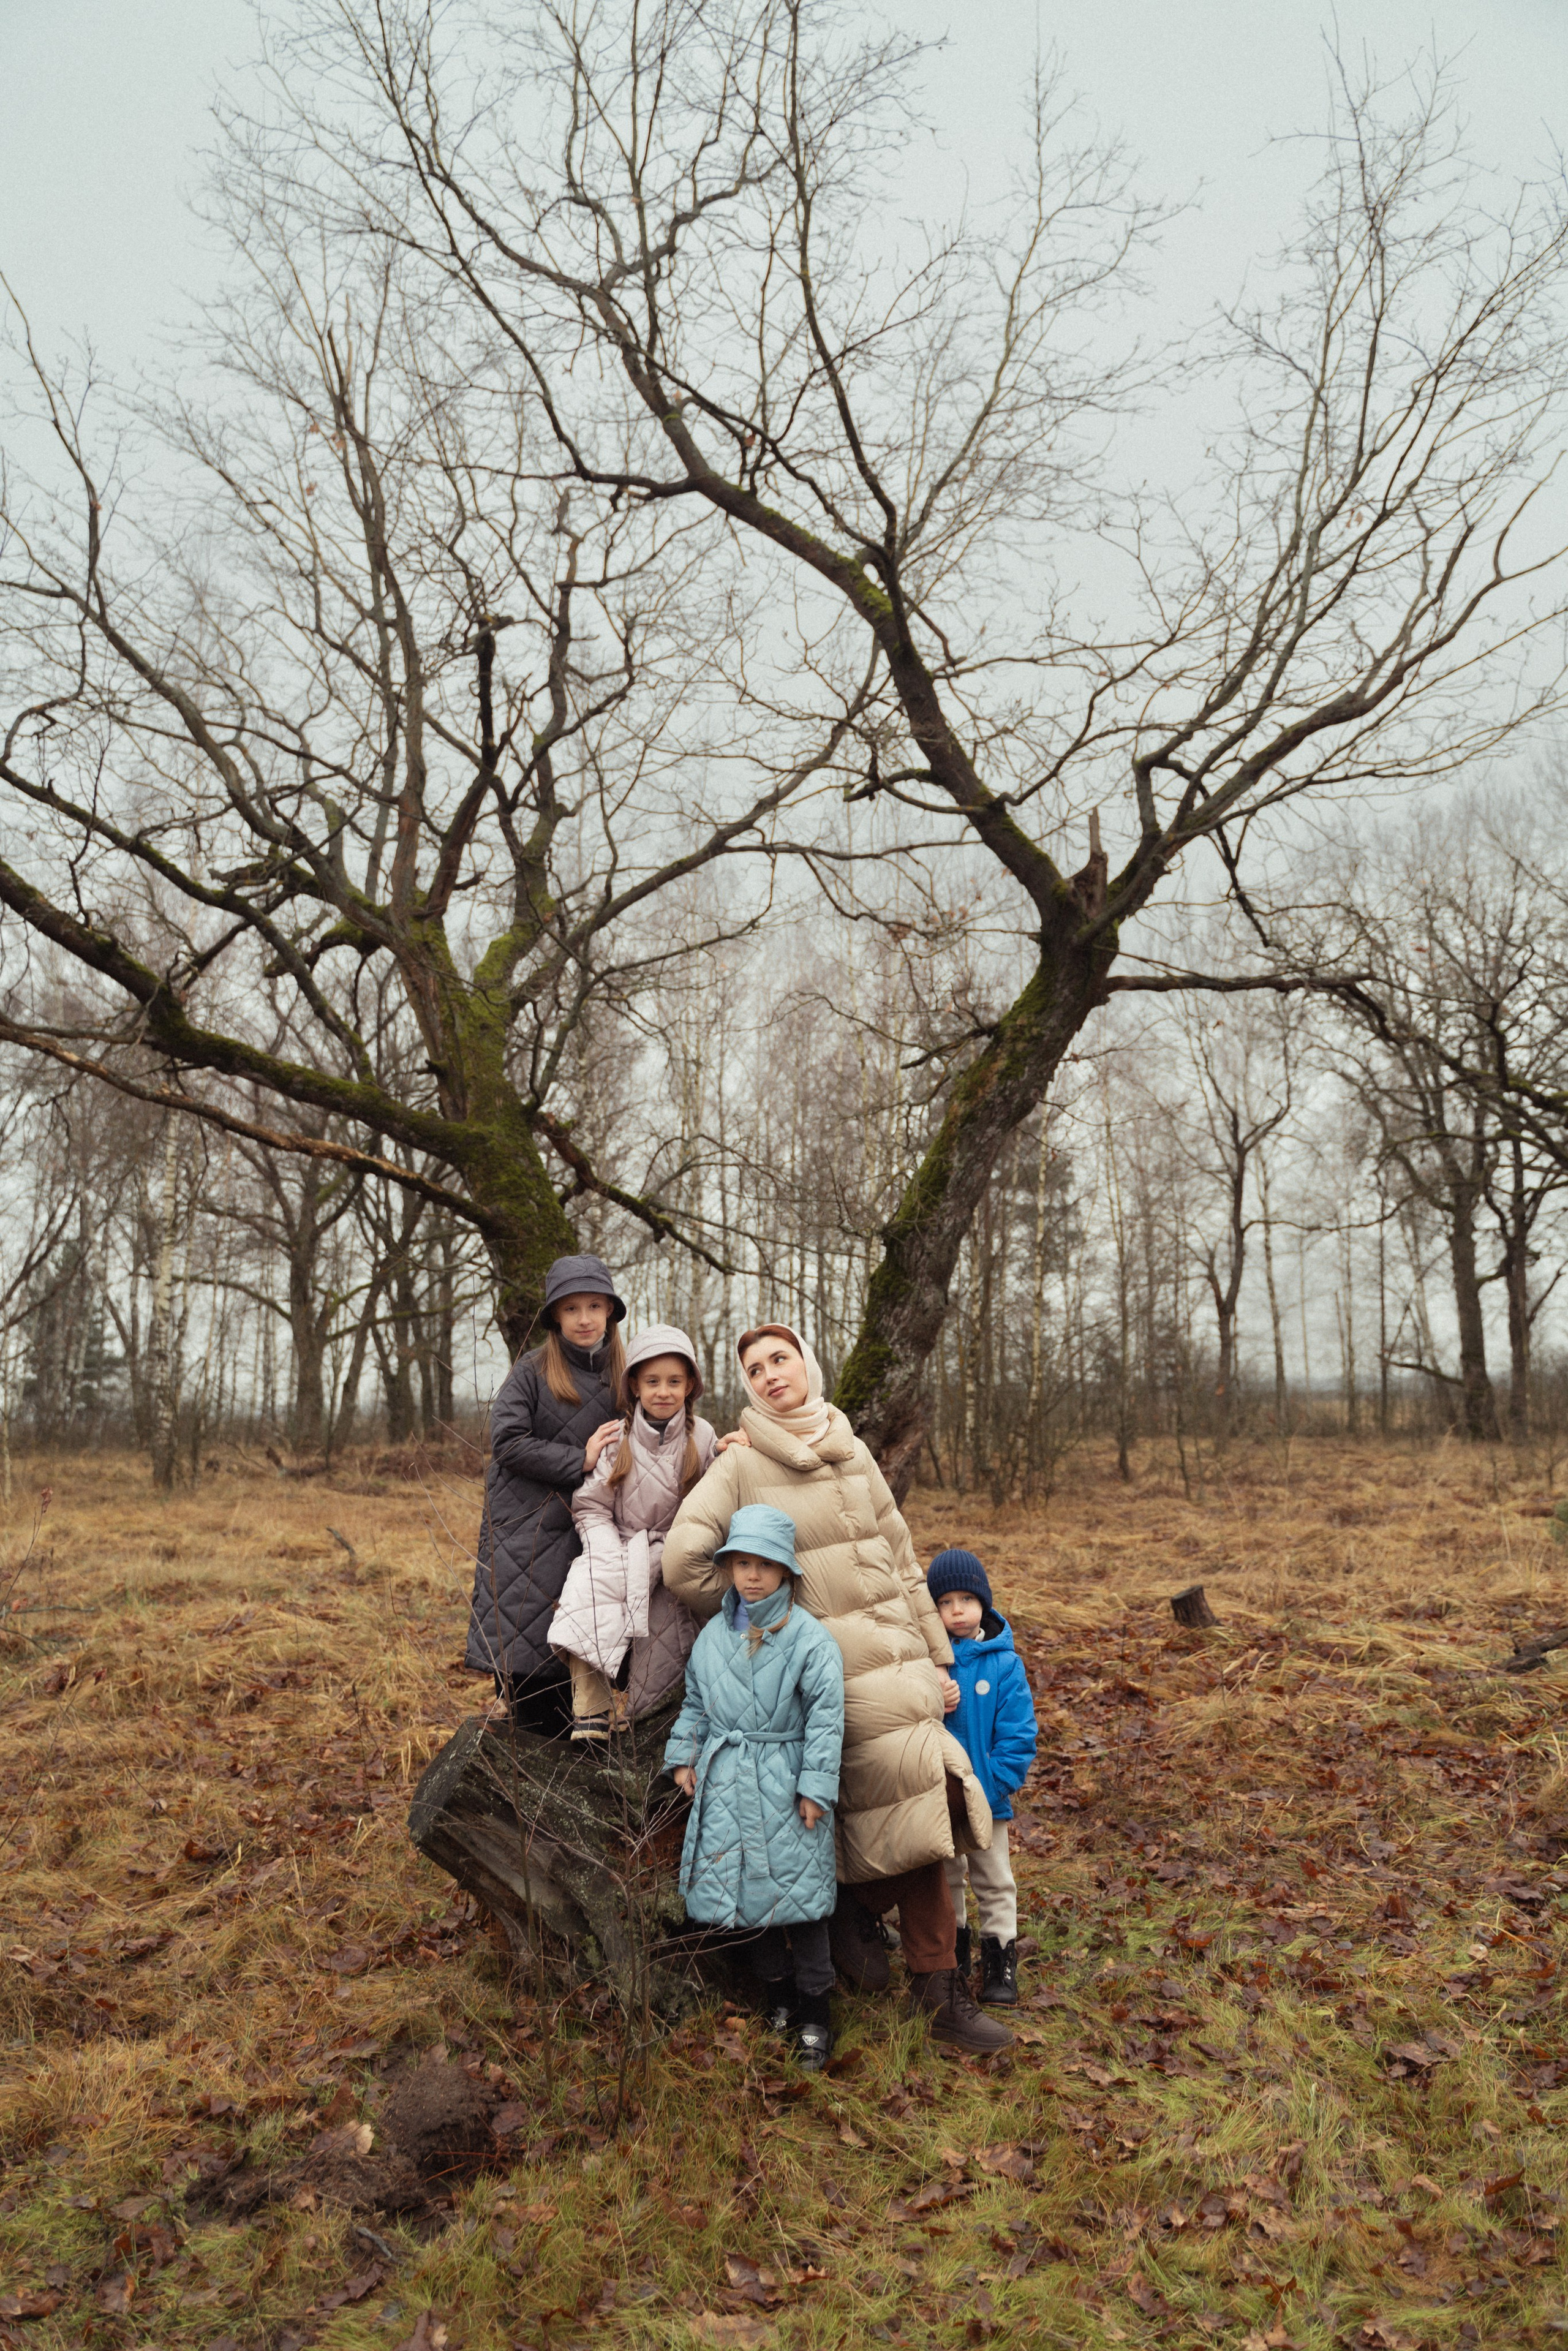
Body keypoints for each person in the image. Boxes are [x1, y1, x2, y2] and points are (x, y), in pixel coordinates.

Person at [663, 1323, 1012, 2055]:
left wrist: (938, 1653)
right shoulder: (742, 1463)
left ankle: (857, 1910)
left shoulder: (852, 1450)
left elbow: (903, 1555)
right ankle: (935, 1988)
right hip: (829, 1673)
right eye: (754, 1369)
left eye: (780, 1359)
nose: (768, 1375)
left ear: (807, 1364)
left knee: (935, 1797)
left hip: (906, 1663)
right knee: (931, 1791)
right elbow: (684, 1561)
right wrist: (764, 1630)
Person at [664, 1503, 845, 2070]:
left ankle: (817, 2011)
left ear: (786, 1572)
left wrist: (816, 1787)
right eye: (742, 1563)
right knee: (748, 1902)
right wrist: (684, 1755)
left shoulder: (810, 1640)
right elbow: (696, 1701)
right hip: (726, 1782)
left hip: (785, 1782)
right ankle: (779, 2000)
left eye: (766, 1565)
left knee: (803, 1904)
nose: (753, 1575)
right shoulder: (714, 1636)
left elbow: (826, 1716)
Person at [464, 1255, 627, 1738]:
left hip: (595, 1535)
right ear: (556, 1314)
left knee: (584, 1665)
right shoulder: (532, 1372)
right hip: (528, 1540)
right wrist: (579, 1457)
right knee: (531, 1676)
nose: (584, 1318)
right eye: (572, 1308)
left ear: (610, 1312)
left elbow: (666, 1422)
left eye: (595, 1306)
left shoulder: (627, 1371)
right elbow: (508, 1442)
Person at [552, 1325, 718, 1739]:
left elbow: (715, 1505)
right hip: (619, 1544)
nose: (663, 1392)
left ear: (690, 1386)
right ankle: (592, 1708)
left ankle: (645, 1723)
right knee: (587, 1588)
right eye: (653, 1382)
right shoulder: (616, 1439)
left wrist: (677, 1551)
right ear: (635, 1387)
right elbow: (590, 1506)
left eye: (674, 1382)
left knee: (664, 1630)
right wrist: (608, 1552)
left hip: (676, 1553)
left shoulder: (702, 1439)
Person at [926, 1547, 1038, 2007]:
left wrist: (989, 1788)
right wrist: (932, 1697)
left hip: (987, 1799)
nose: (957, 1610)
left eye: (967, 1600)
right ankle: (954, 1959)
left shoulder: (1006, 1665)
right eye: (945, 1602)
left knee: (994, 1880)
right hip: (938, 1798)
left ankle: (1000, 1960)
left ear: (983, 1605)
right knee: (947, 1880)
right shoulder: (927, 1665)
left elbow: (1018, 1736)